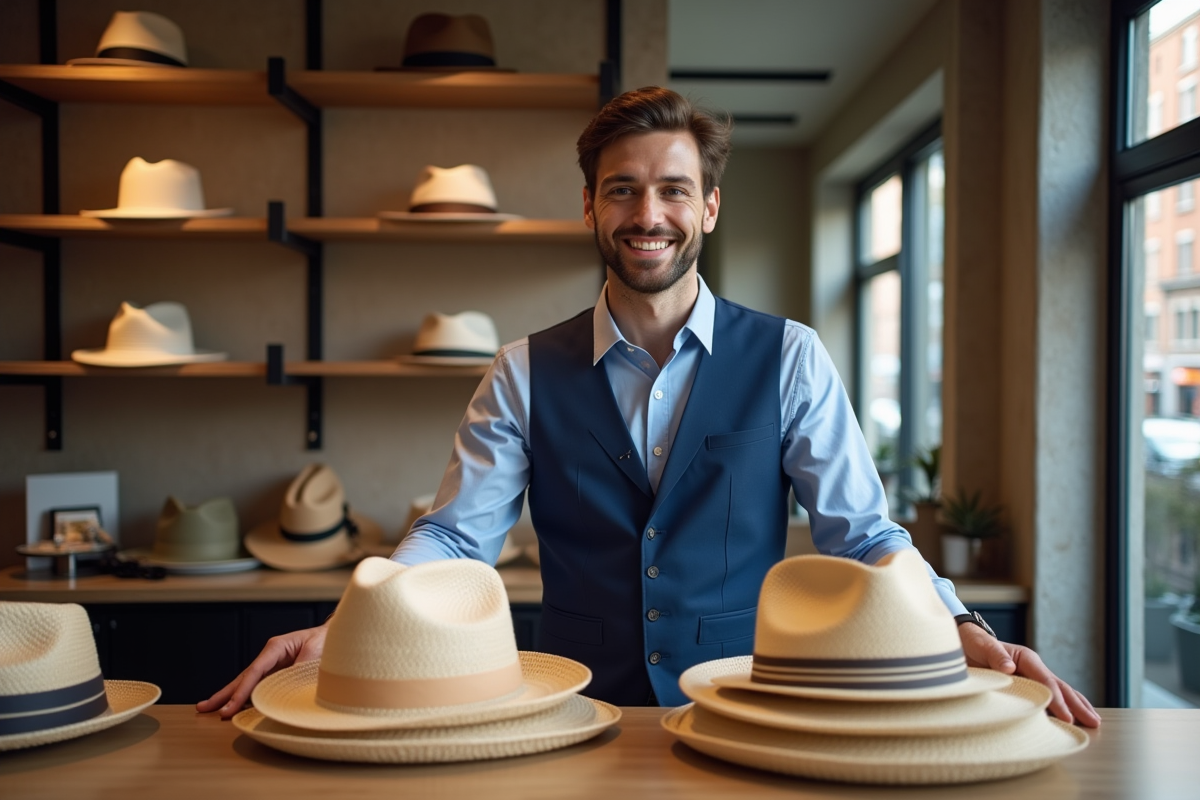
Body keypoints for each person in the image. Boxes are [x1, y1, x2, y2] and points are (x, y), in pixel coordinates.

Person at [199, 86, 1100, 727]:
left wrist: (963, 626)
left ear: (707, 208)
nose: (648, 212)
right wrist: (347, 622)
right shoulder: (520, 370)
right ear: (589, 205)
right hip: (574, 709)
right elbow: (453, 538)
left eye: (673, 189)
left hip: (747, 709)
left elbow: (863, 534)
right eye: (622, 188)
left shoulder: (789, 356)